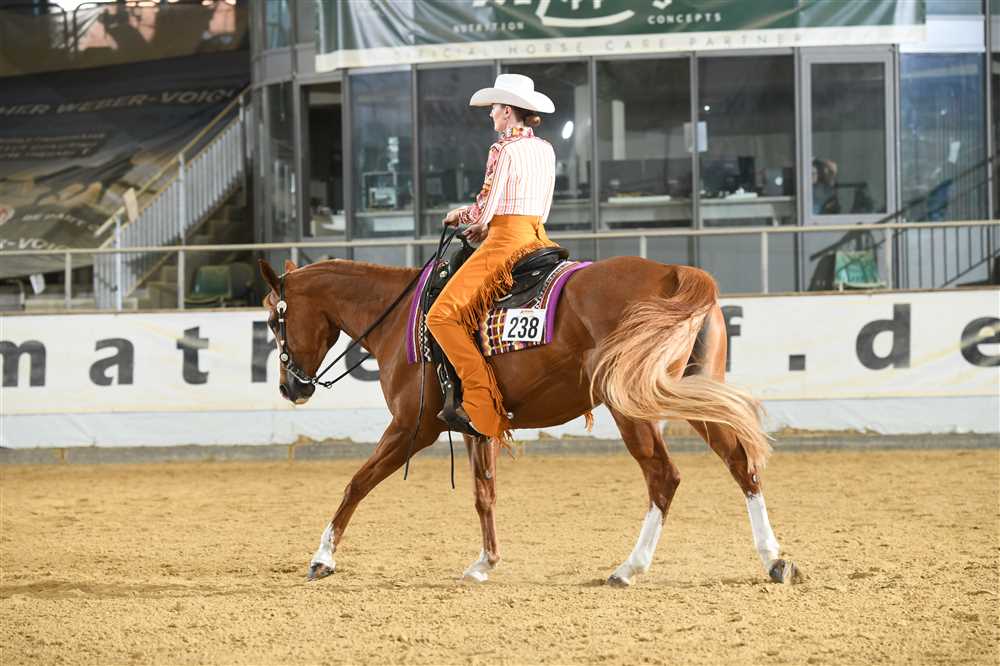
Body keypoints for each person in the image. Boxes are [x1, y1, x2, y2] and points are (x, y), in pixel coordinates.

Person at [425, 74, 557, 440]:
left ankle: (480, 405)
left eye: (495, 108)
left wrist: (461, 216)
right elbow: (543, 208)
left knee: (440, 316)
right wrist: (487, 225)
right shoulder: (545, 148)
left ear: (508, 111)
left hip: (506, 242)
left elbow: (484, 209)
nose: (491, 114)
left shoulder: (503, 149)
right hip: (538, 237)